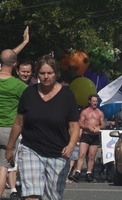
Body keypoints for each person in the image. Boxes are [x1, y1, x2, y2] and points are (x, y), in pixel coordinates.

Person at [5, 55, 80, 200]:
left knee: (52, 196)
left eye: (49, 73)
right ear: (37, 74)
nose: (46, 77)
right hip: (31, 149)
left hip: (58, 152)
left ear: (56, 74)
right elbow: (19, 122)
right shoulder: (29, 94)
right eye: (42, 73)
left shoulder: (66, 95)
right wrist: (10, 148)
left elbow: (74, 126)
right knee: (31, 193)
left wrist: (71, 145)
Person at [0, 25, 29, 198]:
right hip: (8, 130)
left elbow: (7, 57)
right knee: (3, 166)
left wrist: (24, 42)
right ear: (16, 65)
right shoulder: (20, 86)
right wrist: (25, 41)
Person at [71, 94, 106, 183]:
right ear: (89, 101)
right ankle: (77, 172)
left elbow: (103, 124)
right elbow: (80, 123)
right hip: (86, 135)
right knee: (81, 154)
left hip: (94, 136)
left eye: (96, 101)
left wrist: (99, 128)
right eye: (93, 101)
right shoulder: (84, 112)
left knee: (92, 156)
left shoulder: (100, 112)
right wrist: (88, 127)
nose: (95, 103)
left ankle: (89, 173)